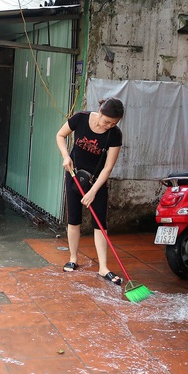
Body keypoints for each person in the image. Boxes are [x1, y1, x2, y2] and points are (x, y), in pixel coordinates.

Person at [56, 97, 124, 285]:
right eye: (107, 121)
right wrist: (66, 156)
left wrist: (93, 191)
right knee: (74, 219)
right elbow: (60, 135)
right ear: (100, 112)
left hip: (97, 182)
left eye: (114, 123)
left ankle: (103, 267)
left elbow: (108, 168)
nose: (109, 126)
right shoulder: (80, 118)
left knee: (100, 223)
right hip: (74, 175)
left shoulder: (115, 135)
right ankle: (73, 258)